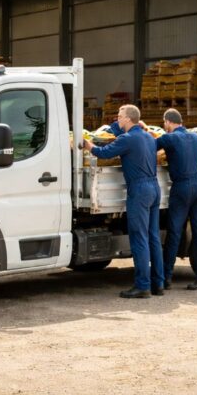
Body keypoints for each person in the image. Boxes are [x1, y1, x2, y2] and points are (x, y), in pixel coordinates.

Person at [80, 105, 165, 298]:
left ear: (128, 119)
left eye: (119, 117)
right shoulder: (148, 137)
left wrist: (87, 145)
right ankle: (158, 284)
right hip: (154, 187)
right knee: (152, 237)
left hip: (139, 190)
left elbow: (104, 153)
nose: (117, 120)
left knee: (139, 238)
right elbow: (117, 131)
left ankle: (142, 286)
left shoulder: (127, 139)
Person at [155, 108, 197, 290]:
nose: (165, 127)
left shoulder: (169, 138)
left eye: (165, 124)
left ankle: (166, 278)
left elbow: (150, 146)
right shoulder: (196, 138)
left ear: (168, 122)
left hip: (182, 188)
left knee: (174, 232)